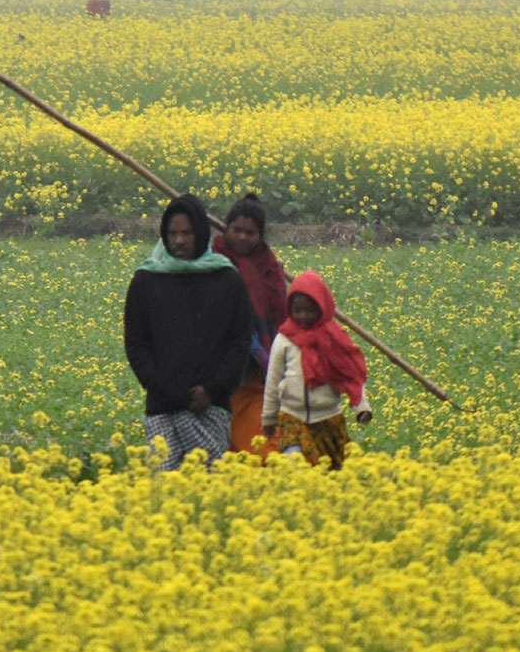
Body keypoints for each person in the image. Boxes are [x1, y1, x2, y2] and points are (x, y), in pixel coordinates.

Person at [123, 193, 253, 471]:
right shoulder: (146, 281)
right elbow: (136, 345)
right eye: (172, 233)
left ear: (201, 233)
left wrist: (211, 389)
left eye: (186, 233)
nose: (179, 241)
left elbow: (239, 343)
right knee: (163, 493)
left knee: (209, 491)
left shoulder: (227, 281)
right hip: (162, 405)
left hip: (211, 406)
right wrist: (165, 388)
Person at [261, 270, 372, 470]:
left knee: (331, 472)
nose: (303, 316)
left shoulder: (335, 338)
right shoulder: (284, 339)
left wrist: (362, 408)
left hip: (327, 419)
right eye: (297, 310)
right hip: (291, 416)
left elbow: (351, 377)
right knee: (293, 465)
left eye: (309, 310)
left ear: (322, 308)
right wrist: (269, 417)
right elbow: (273, 380)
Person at [212, 193, 290, 456]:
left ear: (260, 235)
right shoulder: (213, 261)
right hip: (222, 366)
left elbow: (282, 315)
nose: (243, 237)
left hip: (261, 369)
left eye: (250, 232)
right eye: (237, 230)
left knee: (262, 435)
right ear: (226, 228)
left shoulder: (270, 267)